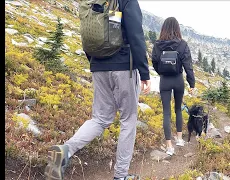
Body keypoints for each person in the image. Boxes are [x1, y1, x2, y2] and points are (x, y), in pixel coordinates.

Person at [44, 0, 151, 179]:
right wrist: (144, 72)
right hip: (124, 66)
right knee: (128, 120)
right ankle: (120, 175)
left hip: (98, 65)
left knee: (100, 119)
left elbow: (89, 35)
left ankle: (65, 151)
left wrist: (95, 63)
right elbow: (136, 35)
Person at [151, 17, 195, 156]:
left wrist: (162, 72)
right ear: (177, 28)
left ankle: (169, 146)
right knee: (178, 109)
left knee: (166, 112)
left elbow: (155, 63)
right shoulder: (182, 45)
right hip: (178, 80)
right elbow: (188, 65)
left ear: (163, 28)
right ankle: (180, 139)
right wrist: (191, 83)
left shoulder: (157, 45)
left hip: (164, 80)